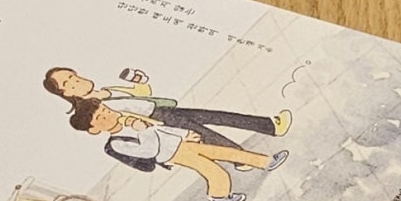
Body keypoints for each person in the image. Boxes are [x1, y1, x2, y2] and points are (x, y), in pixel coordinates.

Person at [43, 67, 293, 170]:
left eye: (73, 75)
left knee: (216, 116)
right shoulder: (91, 111)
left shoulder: (105, 92)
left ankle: (271, 126)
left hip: (161, 109)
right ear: (65, 93)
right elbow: (127, 121)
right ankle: (241, 158)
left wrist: (139, 81)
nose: (76, 81)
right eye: (68, 83)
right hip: (157, 121)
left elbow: (143, 95)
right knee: (205, 134)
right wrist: (157, 128)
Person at [70, 98, 289, 201]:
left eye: (106, 110)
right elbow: (149, 151)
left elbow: (162, 128)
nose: (108, 115)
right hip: (173, 154)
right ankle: (219, 195)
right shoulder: (117, 142)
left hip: (180, 143)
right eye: (101, 117)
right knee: (212, 169)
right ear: (94, 129)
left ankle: (266, 162)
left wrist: (185, 134)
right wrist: (143, 130)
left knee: (223, 152)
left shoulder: (131, 121)